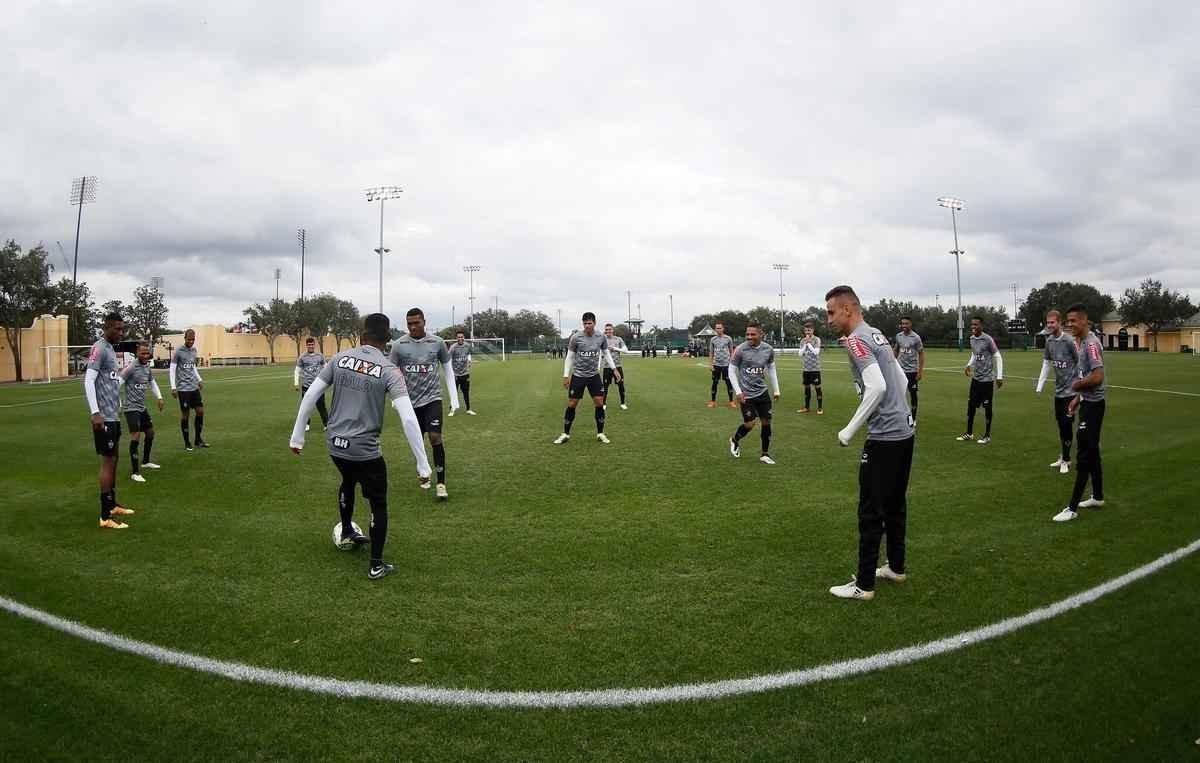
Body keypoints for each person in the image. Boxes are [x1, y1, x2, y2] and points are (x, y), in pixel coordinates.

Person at [289, 313, 433, 580]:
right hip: (365, 450)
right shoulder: (390, 370)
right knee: (378, 502)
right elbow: (409, 418)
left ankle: (346, 531)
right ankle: (376, 564)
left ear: (362, 336)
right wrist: (422, 463)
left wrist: (297, 437)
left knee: (347, 481)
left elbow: (310, 395)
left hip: (335, 446)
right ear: (387, 340)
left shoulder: (339, 358)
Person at [824, 286, 915, 601]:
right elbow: (900, 380)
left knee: (870, 512)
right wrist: (902, 414)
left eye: (831, 312)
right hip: (905, 432)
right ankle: (896, 568)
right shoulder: (876, 334)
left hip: (885, 438)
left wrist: (848, 430)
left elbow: (876, 387)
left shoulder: (855, 339)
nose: (828, 319)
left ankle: (863, 585)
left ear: (848, 309)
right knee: (895, 505)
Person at [389, 308, 459, 500]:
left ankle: (441, 483)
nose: (412, 327)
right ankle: (423, 470)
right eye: (409, 323)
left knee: (435, 437)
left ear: (424, 322)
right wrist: (395, 398)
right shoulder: (398, 345)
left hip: (432, 399)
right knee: (417, 440)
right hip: (409, 403)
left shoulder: (437, 343)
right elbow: (391, 373)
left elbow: (448, 369)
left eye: (416, 323)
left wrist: (454, 398)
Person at [1053, 305, 1107, 522]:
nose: (1070, 325)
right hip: (1087, 403)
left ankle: (1072, 508)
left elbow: (1098, 377)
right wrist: (1078, 398)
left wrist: (1077, 386)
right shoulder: (1082, 342)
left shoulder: (1091, 344)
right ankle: (1098, 497)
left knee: (1084, 454)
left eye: (1074, 321)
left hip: (1094, 407)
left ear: (1085, 321)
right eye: (1068, 321)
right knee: (1092, 452)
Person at [85, 312, 137, 528]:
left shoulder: (110, 349)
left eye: (122, 329)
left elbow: (112, 381)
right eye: (117, 328)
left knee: (114, 459)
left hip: (113, 415)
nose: (120, 332)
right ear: (105, 328)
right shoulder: (99, 348)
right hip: (103, 417)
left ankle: (112, 504)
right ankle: (105, 516)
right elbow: (89, 380)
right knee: (108, 462)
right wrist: (95, 412)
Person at [554, 312, 620, 445]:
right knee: (572, 403)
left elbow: (606, 353)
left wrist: (614, 369)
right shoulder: (576, 337)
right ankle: (565, 433)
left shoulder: (601, 337)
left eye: (589, 323)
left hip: (593, 376)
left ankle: (600, 433)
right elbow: (570, 357)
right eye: (585, 323)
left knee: (599, 402)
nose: (587, 326)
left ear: (594, 323)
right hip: (578, 376)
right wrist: (566, 376)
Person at [726, 321, 780, 465]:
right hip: (746, 394)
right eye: (747, 334)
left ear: (761, 334)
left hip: (762, 392)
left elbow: (771, 368)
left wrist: (776, 390)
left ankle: (764, 454)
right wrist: (738, 392)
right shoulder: (740, 350)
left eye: (752, 334)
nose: (749, 337)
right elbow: (731, 370)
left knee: (766, 422)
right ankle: (735, 439)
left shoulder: (768, 349)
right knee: (750, 424)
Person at [1035, 310, 1080, 475]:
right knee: (1061, 426)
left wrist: (1079, 388)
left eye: (1052, 322)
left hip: (1071, 392)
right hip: (1059, 392)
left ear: (1059, 323)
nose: (1049, 325)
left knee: (1067, 426)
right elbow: (1047, 363)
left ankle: (1067, 460)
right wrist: (1040, 385)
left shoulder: (1069, 341)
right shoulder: (1049, 342)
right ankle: (1064, 456)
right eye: (1048, 322)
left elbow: (1080, 362)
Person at [119, 342, 165, 482]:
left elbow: (152, 382)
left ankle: (145, 462)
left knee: (150, 433)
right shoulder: (131, 368)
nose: (145, 355)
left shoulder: (146, 367)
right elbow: (117, 384)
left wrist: (159, 397)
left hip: (142, 407)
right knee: (136, 436)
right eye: (142, 353)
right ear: (136, 353)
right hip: (131, 408)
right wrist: (118, 404)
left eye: (147, 353)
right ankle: (135, 472)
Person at [956, 317, 1003, 444]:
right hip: (976, 379)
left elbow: (998, 356)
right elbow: (974, 354)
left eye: (976, 324)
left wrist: (999, 377)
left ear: (981, 325)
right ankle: (969, 433)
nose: (973, 327)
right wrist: (968, 365)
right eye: (972, 324)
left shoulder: (988, 339)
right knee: (971, 406)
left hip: (987, 380)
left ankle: (987, 435)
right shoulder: (972, 338)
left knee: (987, 407)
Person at [170, 328, 207, 450]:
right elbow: (172, 369)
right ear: (185, 338)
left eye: (193, 339)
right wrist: (173, 387)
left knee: (200, 411)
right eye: (189, 339)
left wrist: (199, 379)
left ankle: (198, 439)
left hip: (193, 387)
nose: (191, 341)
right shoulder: (178, 352)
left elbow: (193, 367)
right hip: (183, 389)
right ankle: (187, 442)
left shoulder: (194, 351)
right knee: (185, 415)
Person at [893, 317, 925, 422]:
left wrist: (920, 371)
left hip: (912, 371)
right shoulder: (898, 336)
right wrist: (892, 363)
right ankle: (900, 416)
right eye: (902, 324)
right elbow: (896, 350)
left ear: (911, 324)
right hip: (900, 371)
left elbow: (921, 354)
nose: (904, 326)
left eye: (906, 324)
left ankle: (913, 418)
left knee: (913, 394)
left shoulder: (916, 337)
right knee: (899, 394)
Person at [294, 337, 329, 432]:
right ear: (306, 345)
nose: (311, 346)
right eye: (309, 345)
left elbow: (326, 368)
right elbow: (297, 370)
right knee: (306, 406)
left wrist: (327, 381)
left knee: (321, 406)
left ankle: (326, 424)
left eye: (312, 344)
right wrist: (296, 383)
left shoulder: (320, 356)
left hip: (318, 386)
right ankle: (306, 424)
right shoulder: (302, 357)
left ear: (314, 345)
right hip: (306, 385)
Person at [602, 323, 632, 410]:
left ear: (613, 330)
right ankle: (604, 403)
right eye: (606, 330)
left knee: (621, 385)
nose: (608, 331)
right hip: (607, 367)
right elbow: (599, 352)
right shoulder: (602, 340)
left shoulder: (618, 339)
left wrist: (615, 348)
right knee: (605, 387)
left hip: (618, 366)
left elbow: (626, 351)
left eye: (609, 329)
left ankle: (622, 403)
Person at [447, 331, 477, 416]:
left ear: (464, 337)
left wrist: (470, 361)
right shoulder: (453, 347)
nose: (460, 338)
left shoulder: (467, 346)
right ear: (456, 338)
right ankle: (452, 410)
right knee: (454, 392)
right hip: (455, 374)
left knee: (466, 392)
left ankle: (468, 409)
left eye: (462, 337)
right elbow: (448, 359)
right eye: (458, 337)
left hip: (465, 373)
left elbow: (469, 354)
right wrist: (451, 372)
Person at [797, 322, 824, 414]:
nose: (808, 332)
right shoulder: (802, 341)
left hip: (815, 369)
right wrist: (805, 344)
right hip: (806, 369)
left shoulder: (817, 339)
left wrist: (808, 344)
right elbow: (800, 354)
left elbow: (816, 352)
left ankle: (820, 408)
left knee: (817, 388)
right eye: (806, 330)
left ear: (813, 330)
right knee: (806, 388)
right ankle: (806, 407)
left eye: (809, 330)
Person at [708, 322, 736, 408]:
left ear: (723, 329)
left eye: (720, 328)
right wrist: (711, 364)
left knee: (728, 383)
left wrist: (732, 364)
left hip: (726, 365)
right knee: (715, 383)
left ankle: (731, 401)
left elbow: (732, 352)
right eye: (717, 328)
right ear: (715, 329)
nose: (718, 330)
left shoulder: (728, 338)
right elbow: (711, 353)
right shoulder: (713, 339)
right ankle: (713, 401)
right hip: (716, 364)